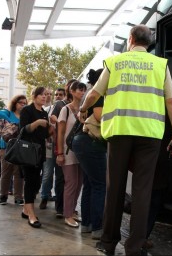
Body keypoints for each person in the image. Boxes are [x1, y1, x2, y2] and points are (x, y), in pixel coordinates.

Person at [78, 24, 172, 256]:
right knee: (143, 191)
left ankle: (108, 244)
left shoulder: (115, 63)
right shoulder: (160, 65)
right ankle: (135, 248)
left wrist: (83, 109)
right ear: (149, 43)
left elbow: (94, 93)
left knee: (114, 188)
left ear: (131, 39)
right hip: (149, 135)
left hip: (119, 133)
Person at [72, 68, 106, 239]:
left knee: (90, 184)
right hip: (91, 142)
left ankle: (86, 224)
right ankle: (98, 228)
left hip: (82, 142)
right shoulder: (98, 93)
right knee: (100, 185)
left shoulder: (89, 94)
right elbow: (100, 116)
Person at [19, 87, 54, 228]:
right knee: (30, 181)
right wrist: (38, 123)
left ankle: (25, 209)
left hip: (39, 152)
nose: (44, 97)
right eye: (41, 94)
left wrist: (51, 129)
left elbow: (43, 135)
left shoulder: (45, 113)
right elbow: (23, 130)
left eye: (45, 95)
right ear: (34, 96)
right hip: (27, 151)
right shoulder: (27, 110)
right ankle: (31, 214)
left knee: (34, 183)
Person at [56, 81, 86, 228]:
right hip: (67, 152)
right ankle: (67, 215)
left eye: (84, 90)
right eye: (79, 90)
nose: (82, 92)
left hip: (81, 152)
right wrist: (60, 153)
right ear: (72, 92)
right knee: (71, 183)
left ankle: (72, 211)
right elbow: (60, 133)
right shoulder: (65, 110)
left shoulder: (85, 109)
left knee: (79, 184)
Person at [0, 95, 26, 206]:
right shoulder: (7, 113)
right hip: (6, 147)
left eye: (24, 103)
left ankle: (18, 197)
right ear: (14, 103)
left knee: (19, 174)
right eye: (20, 102)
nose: (23, 104)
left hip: (20, 148)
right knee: (5, 173)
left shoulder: (25, 116)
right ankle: (3, 196)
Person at [49, 80, 75, 218]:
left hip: (73, 147)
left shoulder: (79, 105)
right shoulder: (60, 105)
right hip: (60, 146)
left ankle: (69, 208)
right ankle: (60, 208)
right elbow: (52, 120)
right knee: (61, 178)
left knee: (72, 180)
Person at [39, 87, 65, 210]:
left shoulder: (66, 109)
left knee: (60, 175)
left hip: (62, 146)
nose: (57, 96)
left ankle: (58, 201)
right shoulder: (47, 110)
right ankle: (44, 196)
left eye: (60, 94)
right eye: (56, 94)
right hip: (49, 146)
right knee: (47, 172)